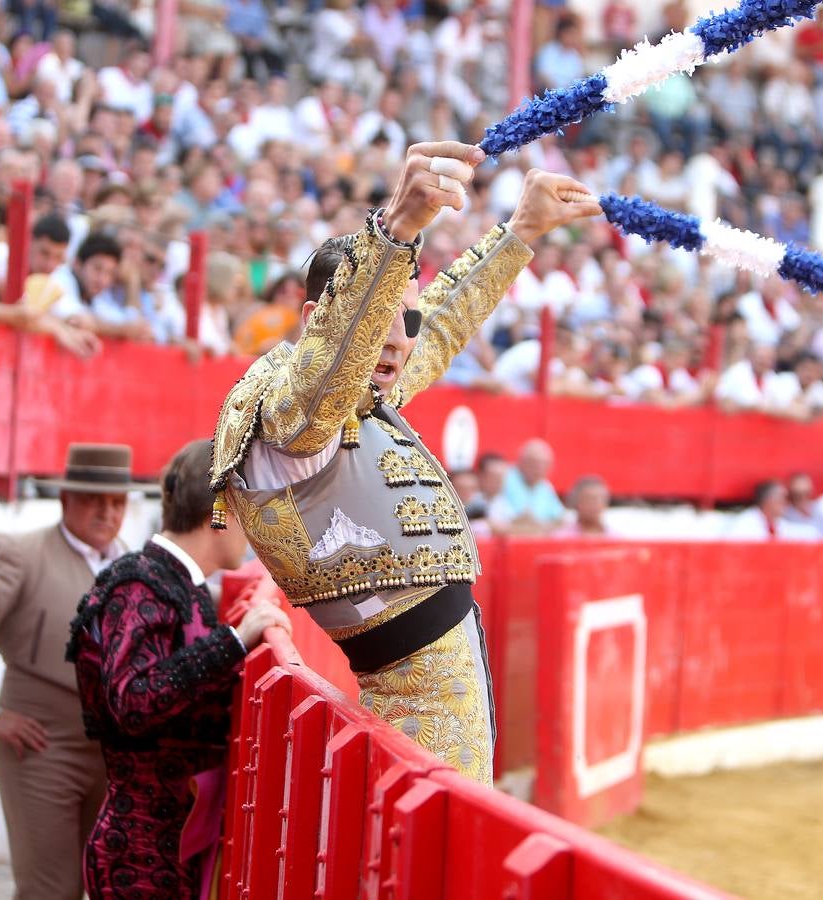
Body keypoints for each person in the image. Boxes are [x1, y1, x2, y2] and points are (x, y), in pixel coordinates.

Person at [209, 142, 600, 785]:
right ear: (316, 320)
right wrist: (396, 230)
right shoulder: (287, 408)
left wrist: (523, 229)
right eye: (382, 319)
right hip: (410, 699)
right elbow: (332, 360)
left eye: (405, 318)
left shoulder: (362, 394)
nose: (399, 336)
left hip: (436, 684)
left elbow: (440, 323)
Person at [68, 439, 293, 900]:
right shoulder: (140, 581)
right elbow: (132, 701)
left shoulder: (172, 582)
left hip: (169, 843)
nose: (253, 534)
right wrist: (232, 642)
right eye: (249, 514)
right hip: (139, 853)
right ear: (220, 513)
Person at [0, 444, 140, 900]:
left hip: (111, 754)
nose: (107, 512)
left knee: (97, 883)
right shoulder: (20, 553)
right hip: (42, 747)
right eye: (92, 499)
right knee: (50, 889)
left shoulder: (134, 567)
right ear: (64, 499)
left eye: (117, 502)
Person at [489, 438, 567, 535]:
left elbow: (561, 519)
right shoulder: (503, 477)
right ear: (521, 461)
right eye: (534, 463)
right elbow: (494, 517)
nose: (539, 468)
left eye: (544, 464)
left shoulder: (545, 486)